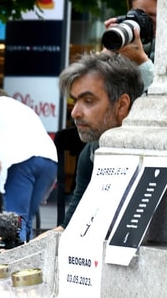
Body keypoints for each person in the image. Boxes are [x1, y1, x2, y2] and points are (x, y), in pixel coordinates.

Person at [58, 51, 144, 229]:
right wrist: (9, 254)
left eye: (88, 101)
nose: (75, 113)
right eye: (75, 101)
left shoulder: (152, 154)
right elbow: (69, 228)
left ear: (122, 105)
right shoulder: (90, 152)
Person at [0, 85, 58, 243]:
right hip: (49, 161)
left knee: (15, 223)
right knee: (24, 221)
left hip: (19, 163)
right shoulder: (21, 107)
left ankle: (15, 263)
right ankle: (31, 263)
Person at [104, 0, 156, 90]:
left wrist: (141, 61)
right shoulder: (125, 45)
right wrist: (108, 53)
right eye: (138, 14)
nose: (143, 20)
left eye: (152, 15)